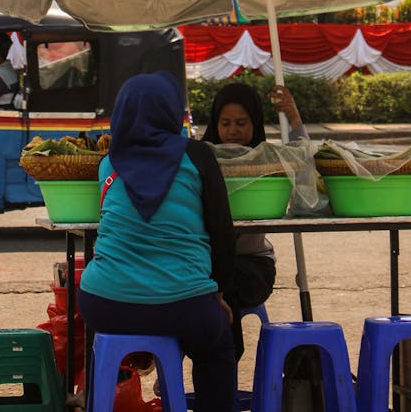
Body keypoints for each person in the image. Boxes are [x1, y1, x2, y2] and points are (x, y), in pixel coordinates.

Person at [78, 71, 238, 412]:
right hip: (185, 305)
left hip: (104, 304)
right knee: (216, 347)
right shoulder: (197, 157)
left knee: (107, 341)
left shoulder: (108, 163)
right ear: (171, 112)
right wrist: (219, 293)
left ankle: (100, 398)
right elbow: (222, 234)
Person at [202, 80, 308, 359]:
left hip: (253, 268)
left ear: (255, 122)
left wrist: (294, 117)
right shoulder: (202, 159)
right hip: (207, 264)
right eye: (225, 123)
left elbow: (305, 167)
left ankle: (224, 360)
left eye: (241, 122)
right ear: (215, 123)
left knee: (220, 280)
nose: (233, 130)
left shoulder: (268, 160)